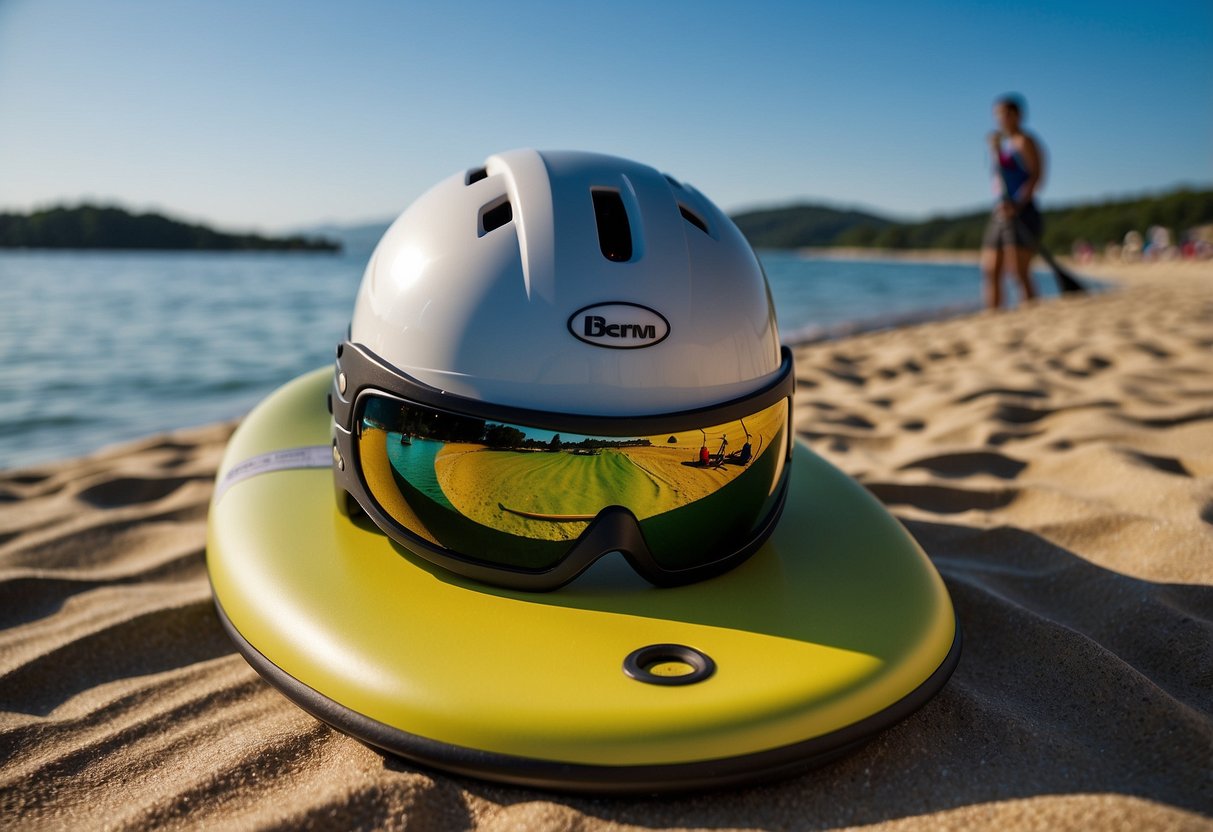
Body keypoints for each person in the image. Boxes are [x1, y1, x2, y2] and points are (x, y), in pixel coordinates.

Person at [981, 94, 1045, 309]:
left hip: (1021, 210)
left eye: (1005, 114)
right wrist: (995, 151)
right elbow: (999, 176)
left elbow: (1036, 176)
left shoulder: (1025, 141)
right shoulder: (1004, 144)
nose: (1001, 119)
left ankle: (1030, 311)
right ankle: (992, 315)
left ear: (1018, 115)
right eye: (997, 115)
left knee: (1018, 271)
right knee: (990, 269)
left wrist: (1017, 204)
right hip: (1000, 210)